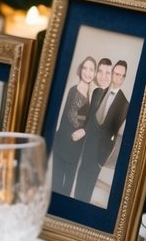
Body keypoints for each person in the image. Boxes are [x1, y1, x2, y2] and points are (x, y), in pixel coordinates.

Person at [73, 60, 129, 204]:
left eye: (122, 76)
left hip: (100, 151)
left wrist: (103, 158)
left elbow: (114, 132)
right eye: (116, 74)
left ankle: (82, 208)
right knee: (80, 179)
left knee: (89, 186)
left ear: (124, 78)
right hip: (87, 145)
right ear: (112, 74)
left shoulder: (125, 104)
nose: (118, 78)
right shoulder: (98, 91)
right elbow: (89, 119)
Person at [52, 56, 96, 196]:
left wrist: (83, 131)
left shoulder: (93, 96)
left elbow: (91, 123)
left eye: (91, 69)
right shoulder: (72, 90)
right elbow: (66, 118)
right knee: (56, 184)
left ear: (94, 73)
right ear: (80, 70)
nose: (88, 72)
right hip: (62, 142)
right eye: (85, 68)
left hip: (77, 148)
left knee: (68, 187)